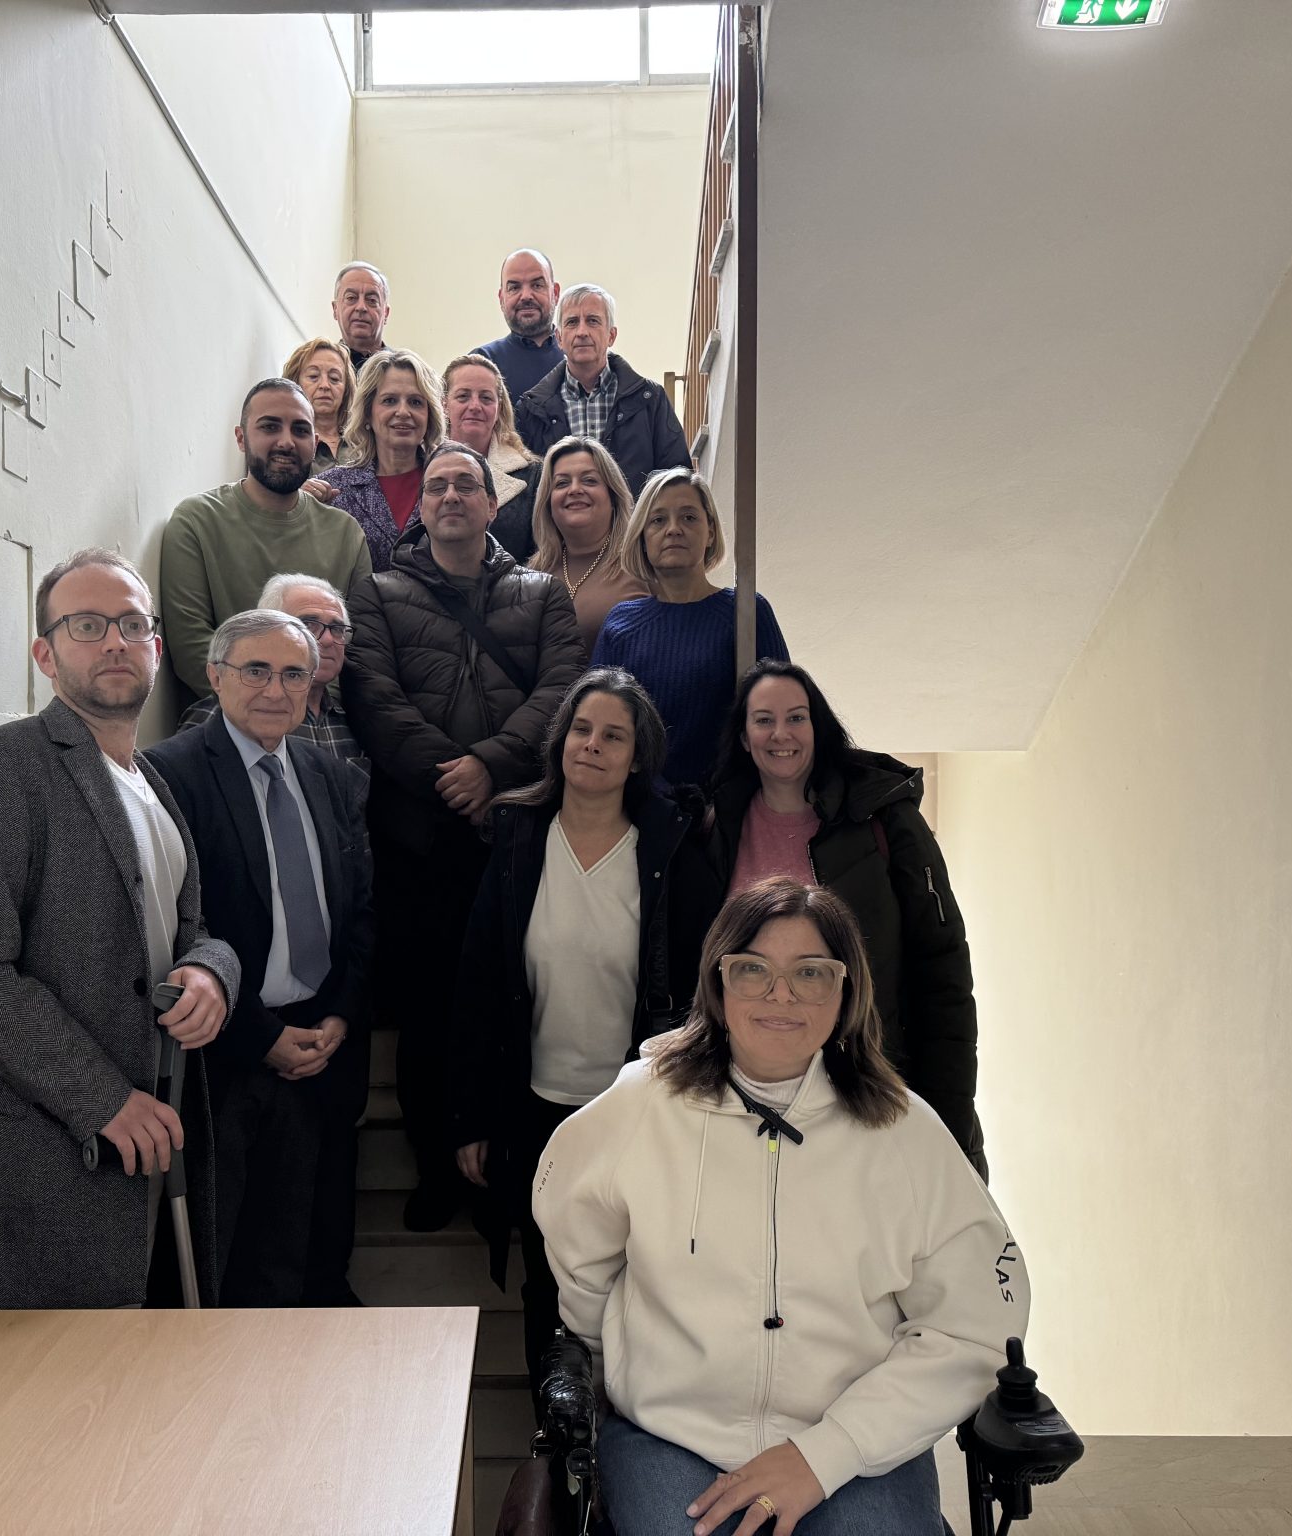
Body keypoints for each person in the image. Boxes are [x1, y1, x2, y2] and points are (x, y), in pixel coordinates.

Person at [536, 879, 1028, 1536]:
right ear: (719, 983)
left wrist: (827, 1452)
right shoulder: (639, 1107)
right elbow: (579, 1249)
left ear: (846, 990)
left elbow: (973, 1326)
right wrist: (611, 1366)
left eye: (810, 973)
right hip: (671, 1436)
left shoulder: (905, 1133)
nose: (781, 995)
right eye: (753, 970)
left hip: (854, 1441)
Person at [0, 549, 240, 1309]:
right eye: (88, 625)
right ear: (45, 654)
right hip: (43, 1165)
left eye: (132, 625)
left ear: (157, 646)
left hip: (154, 1150)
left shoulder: (152, 782)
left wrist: (211, 973)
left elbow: (193, 928)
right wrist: (102, 1099)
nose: (114, 642)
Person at [450, 668, 722, 1397]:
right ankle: (558, 1433)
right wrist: (473, 1116)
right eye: (581, 729)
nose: (592, 745)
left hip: (640, 1110)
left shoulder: (670, 849)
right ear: (560, 741)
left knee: (645, 1275)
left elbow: (704, 985)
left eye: (613, 736)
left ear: (637, 758)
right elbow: (478, 982)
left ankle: (634, 1423)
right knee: (550, 1279)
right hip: (536, 1108)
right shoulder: (517, 836)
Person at [341, 440, 587, 1231]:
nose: (451, 495)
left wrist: (491, 767)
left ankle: (505, 1174)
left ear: (490, 503)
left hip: (516, 834)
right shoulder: (377, 593)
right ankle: (434, 1167)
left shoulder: (543, 594)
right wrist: (455, 777)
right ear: (420, 508)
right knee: (427, 1011)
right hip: (419, 838)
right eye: (437, 485)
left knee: (513, 1004)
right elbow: (375, 700)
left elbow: (561, 692)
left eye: (465, 485)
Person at [143, 611, 374, 1307]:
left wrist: (341, 1013)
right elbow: (176, 929)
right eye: (257, 670)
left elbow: (360, 903)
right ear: (215, 676)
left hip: (320, 1041)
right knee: (218, 1260)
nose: (276, 690)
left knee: (300, 1254)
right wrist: (262, 1037)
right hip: (224, 1052)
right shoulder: (168, 773)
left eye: (294, 674)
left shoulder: (328, 771)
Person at [708, 660, 986, 1177]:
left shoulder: (884, 817)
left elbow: (942, 971)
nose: (781, 734)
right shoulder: (715, 826)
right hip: (746, 1095)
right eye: (764, 720)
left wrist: (950, 1123)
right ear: (744, 738)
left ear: (818, 727)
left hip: (869, 1084)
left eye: (797, 717)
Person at [160, 378, 374, 698]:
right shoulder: (196, 522)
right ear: (241, 438)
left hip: (325, 716)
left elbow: (358, 649)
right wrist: (274, 706)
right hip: (227, 715)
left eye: (300, 430)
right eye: (270, 427)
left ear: (314, 443)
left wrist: (313, 711)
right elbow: (192, 650)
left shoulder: (347, 534)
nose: (286, 442)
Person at [593, 468, 788, 784]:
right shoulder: (620, 624)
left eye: (689, 517)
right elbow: (598, 725)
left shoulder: (747, 612)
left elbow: (782, 714)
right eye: (658, 520)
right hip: (637, 802)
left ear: (710, 531)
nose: (673, 529)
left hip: (726, 802)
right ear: (642, 538)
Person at [180, 573, 366, 785]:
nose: (328, 639)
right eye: (308, 624)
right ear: (266, 628)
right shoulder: (222, 714)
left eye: (337, 629)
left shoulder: (356, 720)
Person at [514, 283, 691, 494]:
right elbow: (525, 490)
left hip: (634, 517)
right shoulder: (531, 410)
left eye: (593, 321)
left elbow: (676, 481)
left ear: (611, 336)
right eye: (572, 322)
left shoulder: (650, 400)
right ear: (559, 338)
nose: (582, 332)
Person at [318, 348, 447, 574]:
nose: (403, 411)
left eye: (416, 402)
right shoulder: (332, 489)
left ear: (430, 415)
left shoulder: (451, 482)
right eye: (390, 400)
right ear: (368, 413)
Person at [526, 435, 649, 651]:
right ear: (548, 502)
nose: (575, 489)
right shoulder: (534, 573)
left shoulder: (643, 563)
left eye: (589, 480)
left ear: (613, 497)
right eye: (562, 483)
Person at [441, 352, 541, 561]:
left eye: (486, 398)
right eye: (463, 396)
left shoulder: (533, 475)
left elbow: (541, 553)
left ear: (499, 407)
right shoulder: (419, 466)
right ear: (444, 404)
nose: (475, 406)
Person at [473, 247, 565, 401]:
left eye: (537, 285)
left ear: (555, 293)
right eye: (514, 288)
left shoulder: (579, 358)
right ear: (502, 299)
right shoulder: (482, 363)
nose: (526, 296)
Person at [283, 337, 353, 472]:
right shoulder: (283, 443)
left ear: (346, 389)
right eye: (313, 376)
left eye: (334, 378)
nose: (325, 385)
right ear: (295, 383)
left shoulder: (363, 444)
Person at [332, 260, 391, 375]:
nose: (361, 307)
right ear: (335, 309)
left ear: (386, 313)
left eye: (372, 300)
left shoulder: (406, 371)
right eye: (351, 298)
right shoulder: (321, 371)